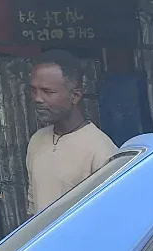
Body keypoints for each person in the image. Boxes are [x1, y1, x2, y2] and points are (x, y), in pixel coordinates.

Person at [26, 49, 117, 216]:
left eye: (47, 92)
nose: (37, 98)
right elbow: (33, 208)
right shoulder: (37, 141)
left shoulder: (101, 151)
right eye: (34, 90)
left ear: (75, 96)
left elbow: (109, 216)